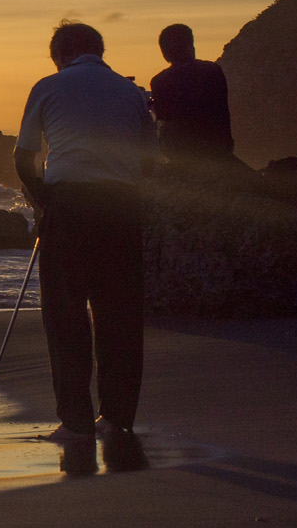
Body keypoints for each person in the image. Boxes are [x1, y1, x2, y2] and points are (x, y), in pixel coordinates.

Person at [14, 23, 159, 440]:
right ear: (99, 50)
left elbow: (24, 158)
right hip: (121, 206)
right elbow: (150, 160)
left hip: (69, 205)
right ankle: (117, 419)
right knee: (121, 316)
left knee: (65, 313)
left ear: (62, 53)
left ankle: (75, 420)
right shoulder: (132, 93)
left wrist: (43, 199)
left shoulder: (48, 86)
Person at [147, 23, 234, 163]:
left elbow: (164, 121)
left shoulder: (160, 81)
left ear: (165, 52)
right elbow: (222, 112)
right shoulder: (212, 71)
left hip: (182, 155)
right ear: (190, 46)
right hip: (218, 149)